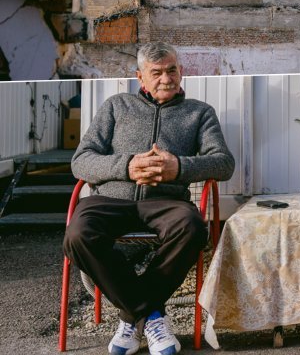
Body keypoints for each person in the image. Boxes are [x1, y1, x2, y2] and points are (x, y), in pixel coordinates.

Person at [63, 42, 235, 355]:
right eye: (156, 73)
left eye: (172, 70)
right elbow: (81, 160)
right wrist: (126, 166)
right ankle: (150, 314)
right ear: (140, 77)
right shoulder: (117, 105)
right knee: (78, 235)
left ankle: (131, 318)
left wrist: (178, 167)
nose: (166, 79)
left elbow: (223, 162)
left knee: (192, 227)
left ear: (181, 72)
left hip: (166, 202)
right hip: (110, 200)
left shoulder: (199, 113)